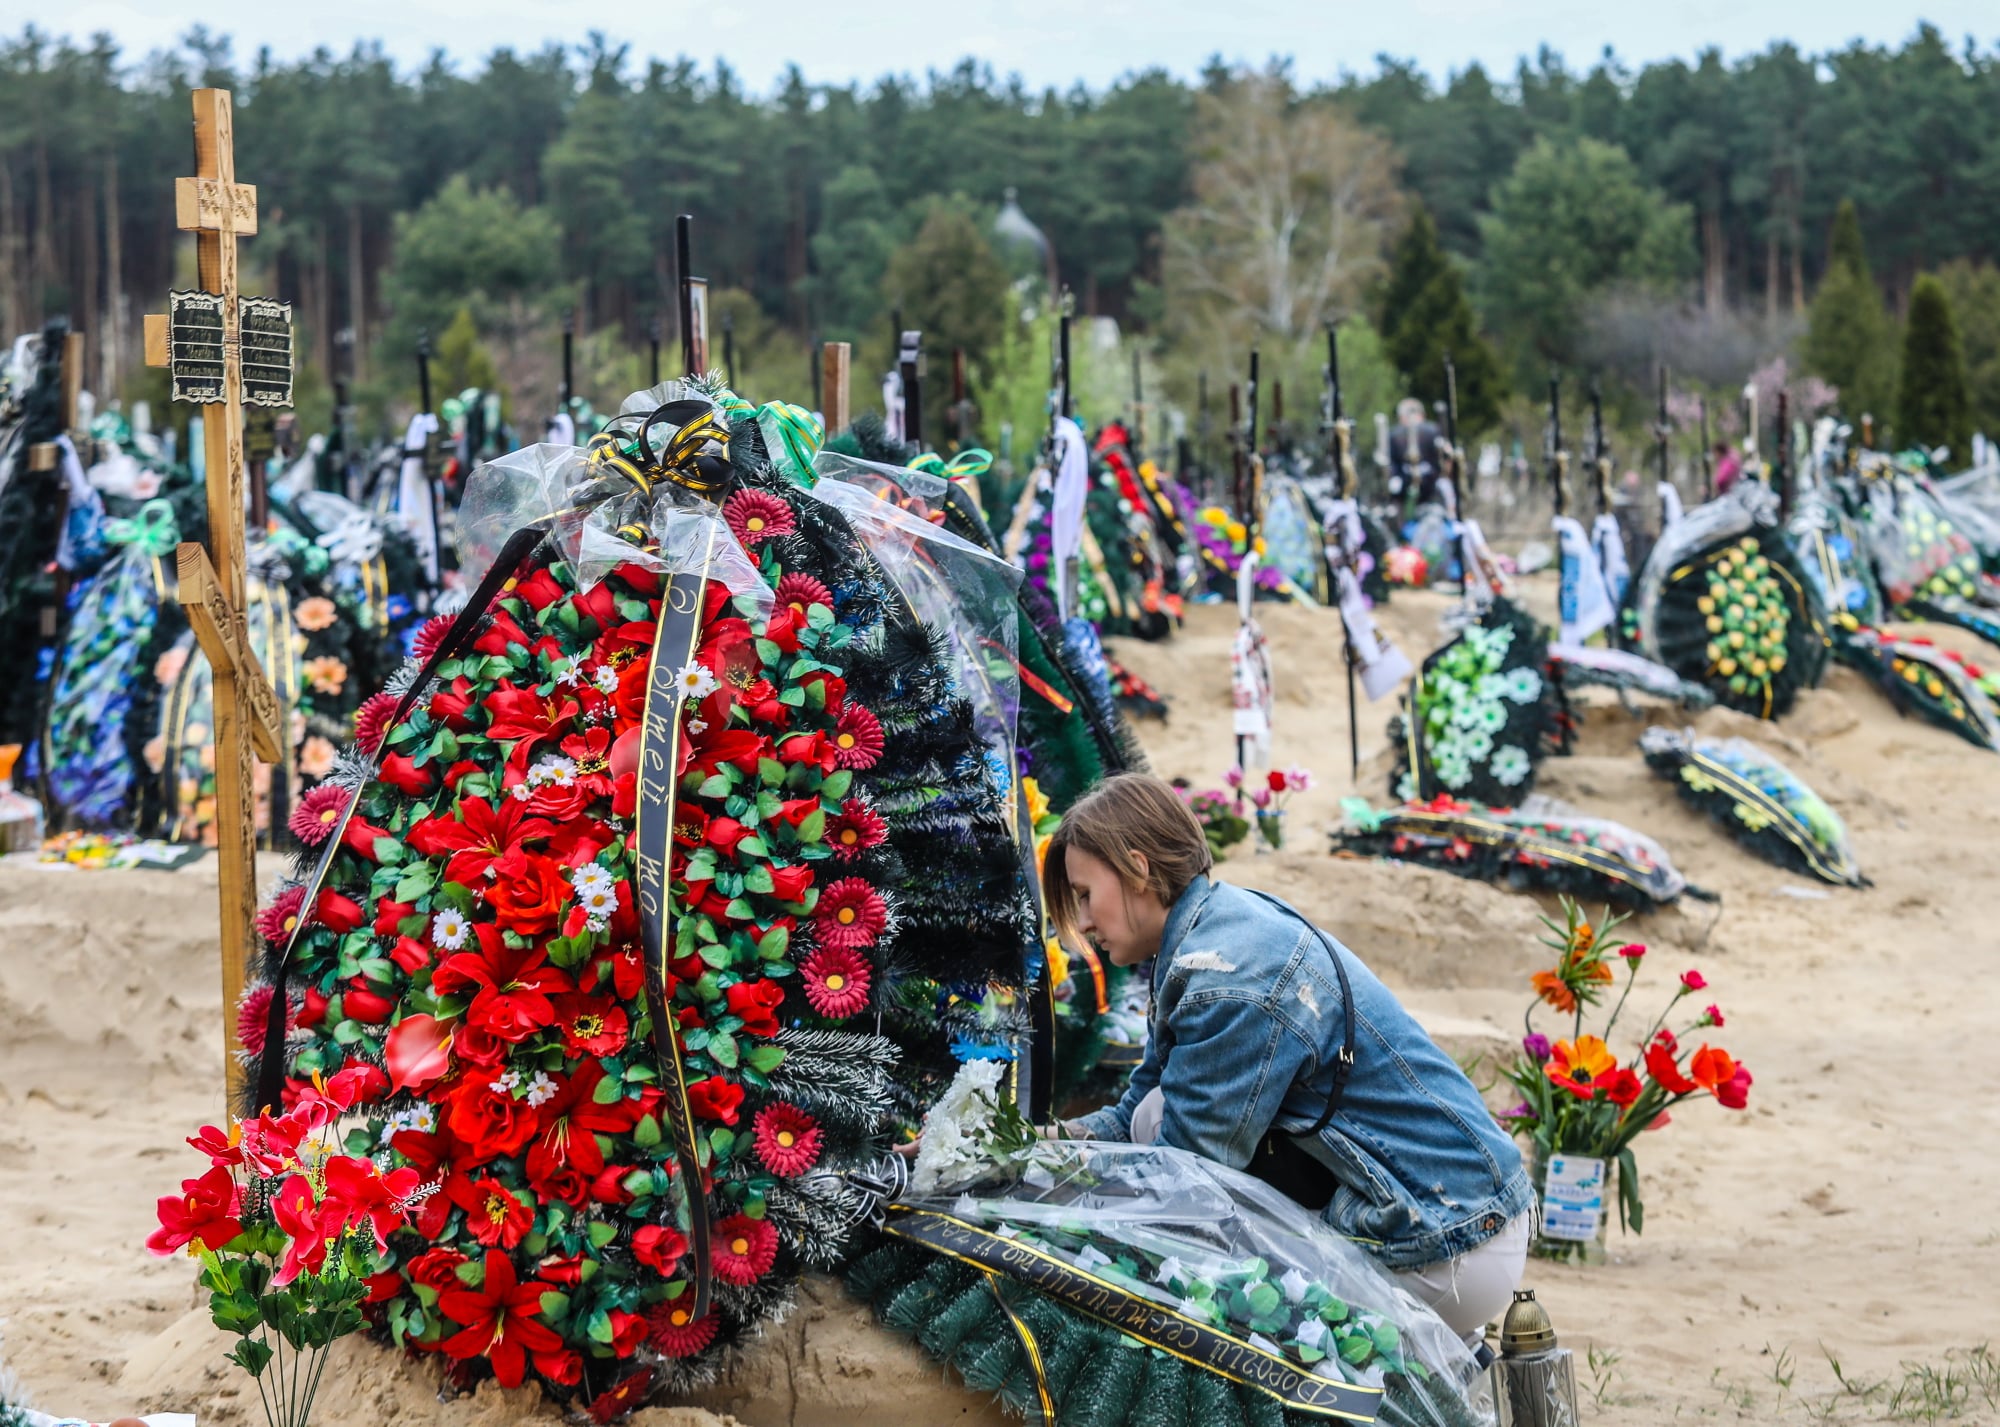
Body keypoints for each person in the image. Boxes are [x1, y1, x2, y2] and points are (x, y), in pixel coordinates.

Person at [1043, 774, 1534, 1343]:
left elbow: (1183, 1187)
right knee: (1152, 1114)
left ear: (1138, 868)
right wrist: (1021, 1149)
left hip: (1446, 1245)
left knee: (1203, 1290)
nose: (1080, 924)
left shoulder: (1228, 979)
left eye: (1083, 895)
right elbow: (1132, 1119)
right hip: (1455, 1216)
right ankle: (1444, 1349)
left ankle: (1429, 1351)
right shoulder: (1212, 935)